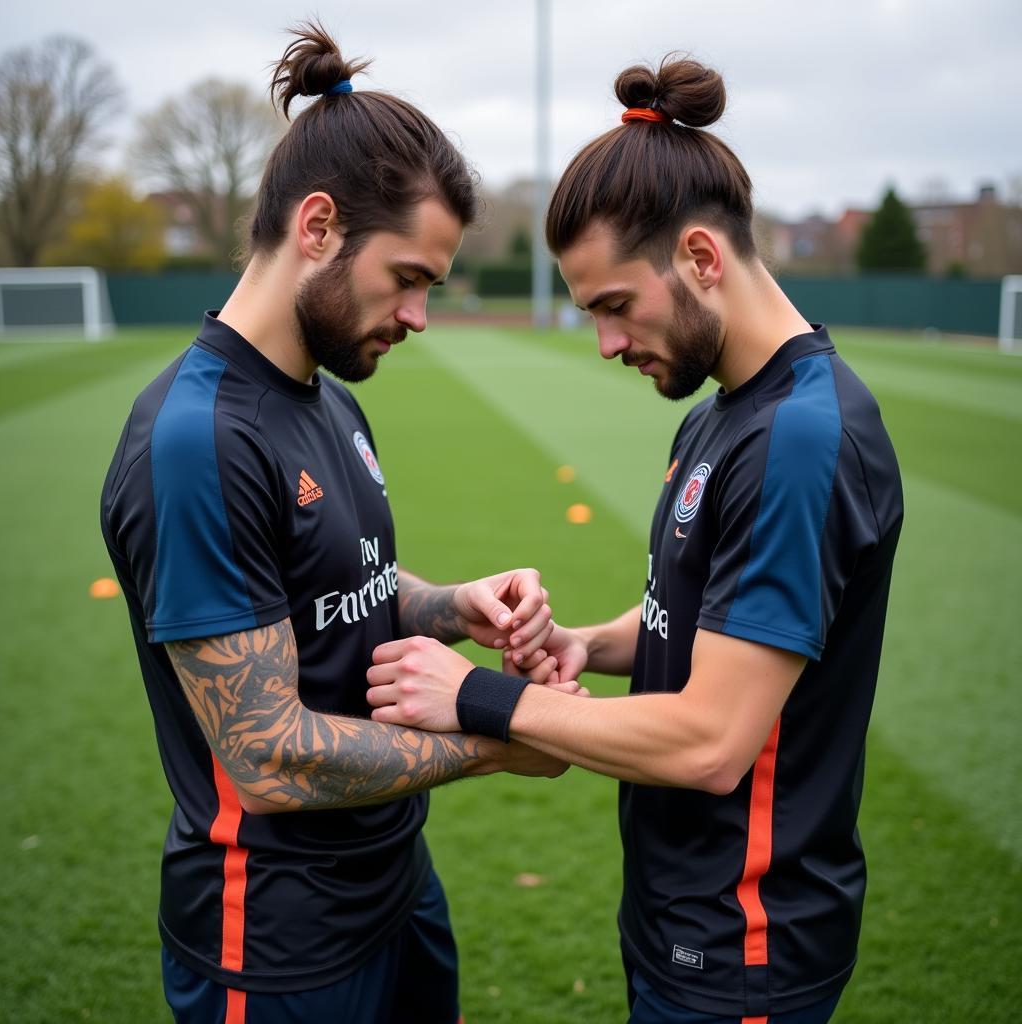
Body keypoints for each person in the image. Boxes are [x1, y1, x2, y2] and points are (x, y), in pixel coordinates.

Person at [365, 54, 904, 1024]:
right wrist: (587, 645)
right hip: (681, 911)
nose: (607, 343)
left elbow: (709, 741)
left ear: (700, 257)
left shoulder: (802, 439)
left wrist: (476, 696)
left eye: (615, 304)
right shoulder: (722, 415)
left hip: (745, 944)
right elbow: (698, 615)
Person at [100, 22, 574, 1024]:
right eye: (408, 277)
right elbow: (264, 752)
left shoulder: (328, 399)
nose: (419, 316)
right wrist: (502, 736)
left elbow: (337, 584)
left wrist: (453, 605)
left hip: (394, 885)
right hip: (275, 943)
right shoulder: (199, 439)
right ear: (317, 226)